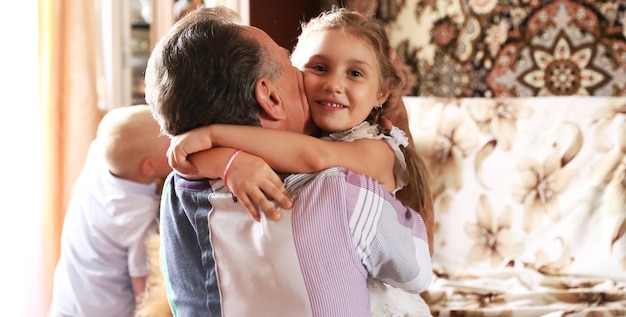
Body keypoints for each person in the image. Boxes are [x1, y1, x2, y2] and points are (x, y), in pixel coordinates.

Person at [145, 6, 432, 317]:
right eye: (312, 68)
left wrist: (216, 142)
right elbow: (418, 269)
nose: (331, 85)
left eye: (355, 73)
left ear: (381, 91)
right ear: (270, 98)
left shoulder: (180, 191)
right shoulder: (343, 193)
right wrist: (226, 157)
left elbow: (312, 155)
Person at [49, 105, 172, 317]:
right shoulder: (136, 214)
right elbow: (142, 283)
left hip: (66, 300)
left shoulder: (98, 157)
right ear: (148, 168)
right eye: (170, 144)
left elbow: (112, 135)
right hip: (105, 310)